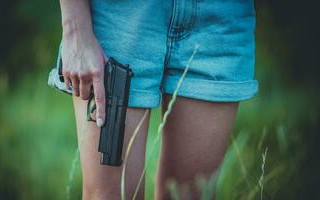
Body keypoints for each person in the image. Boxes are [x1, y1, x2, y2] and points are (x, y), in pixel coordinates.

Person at [48, 0, 258, 199]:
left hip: (220, 20)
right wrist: (75, 28)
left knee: (190, 195)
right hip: (122, 17)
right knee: (111, 195)